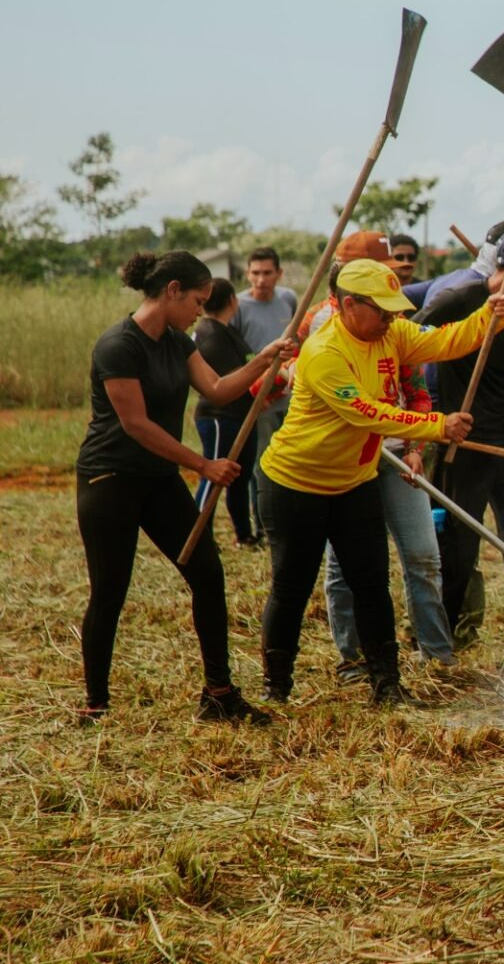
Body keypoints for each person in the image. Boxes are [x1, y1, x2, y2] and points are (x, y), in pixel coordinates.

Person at [256, 258, 504, 707]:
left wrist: (489, 316)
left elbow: (445, 340)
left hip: (354, 481)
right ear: (349, 305)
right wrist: (436, 426)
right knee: (292, 587)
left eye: (395, 310)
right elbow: (367, 413)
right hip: (296, 484)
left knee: (372, 582)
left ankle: (386, 685)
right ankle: (276, 687)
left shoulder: (391, 333)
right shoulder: (324, 352)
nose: (392, 319)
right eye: (382, 311)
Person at [75, 251, 294, 724]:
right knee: (110, 589)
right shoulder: (118, 345)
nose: (200, 311)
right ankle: (95, 705)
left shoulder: (178, 342)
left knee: (208, 574)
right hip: (109, 478)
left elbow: (216, 389)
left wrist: (264, 360)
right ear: (172, 291)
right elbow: (135, 424)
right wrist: (202, 464)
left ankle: (218, 694)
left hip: (157, 479)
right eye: (197, 300)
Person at [297, 231, 457, 678]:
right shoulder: (319, 326)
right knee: (346, 567)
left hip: (399, 450)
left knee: (424, 556)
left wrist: (417, 447)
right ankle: (351, 658)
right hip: (349, 462)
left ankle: (437, 655)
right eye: (387, 268)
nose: (397, 275)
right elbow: (306, 379)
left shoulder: (391, 321)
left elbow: (416, 387)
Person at [415, 228, 504, 649]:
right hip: (463, 445)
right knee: (458, 547)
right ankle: (442, 641)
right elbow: (408, 344)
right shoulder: (460, 300)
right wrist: (436, 415)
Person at [232, 246, 298, 544]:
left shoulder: (288, 298)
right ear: (247, 274)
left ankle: (291, 521)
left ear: (279, 273)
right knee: (262, 465)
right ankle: (264, 528)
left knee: (292, 461)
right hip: (259, 398)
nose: (261, 279)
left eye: (267, 273)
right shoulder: (238, 307)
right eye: (255, 273)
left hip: (290, 395)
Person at [192, 278, 259, 548]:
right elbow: (229, 375)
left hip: (242, 414)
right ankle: (198, 535)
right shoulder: (209, 331)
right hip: (220, 416)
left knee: (239, 477)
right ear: (233, 300)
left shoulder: (226, 330)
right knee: (214, 474)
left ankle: (244, 535)